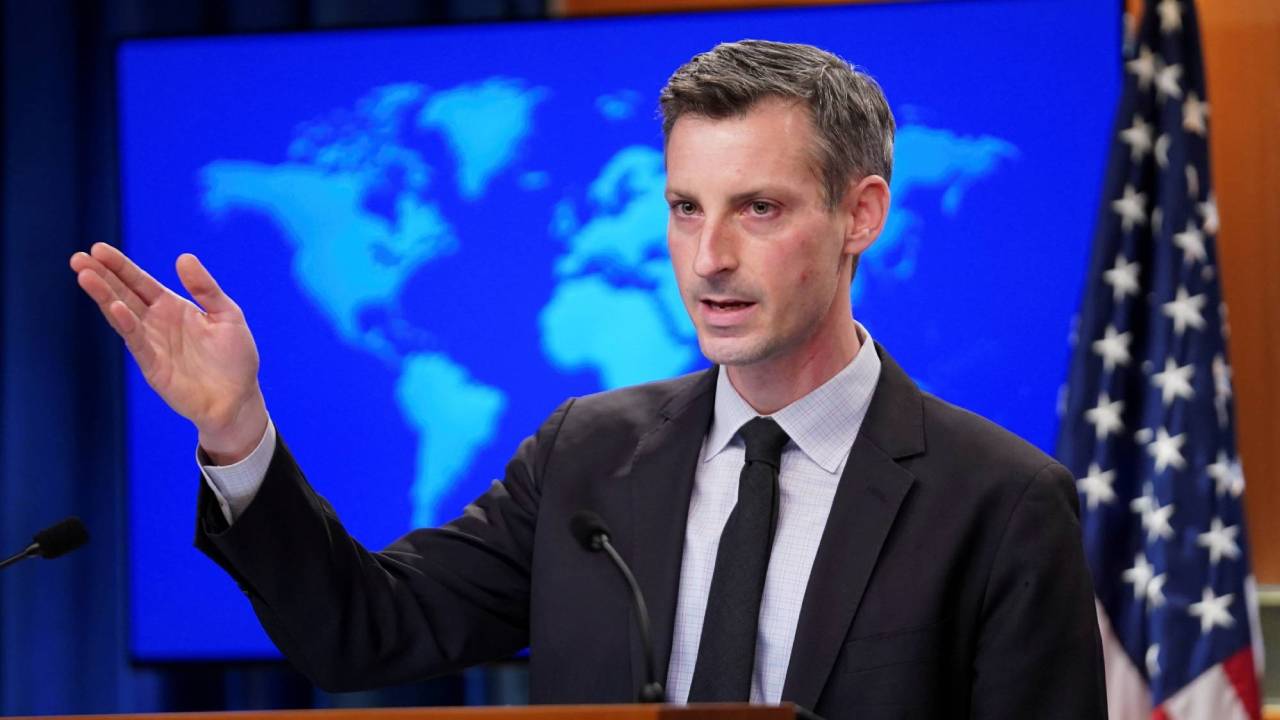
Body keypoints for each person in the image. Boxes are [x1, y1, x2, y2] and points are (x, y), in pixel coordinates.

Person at [70, 40, 1106, 718]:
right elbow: (363, 631)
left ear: (860, 215)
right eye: (685, 209)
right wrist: (236, 429)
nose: (708, 259)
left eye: (758, 209)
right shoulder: (589, 456)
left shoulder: (999, 502)